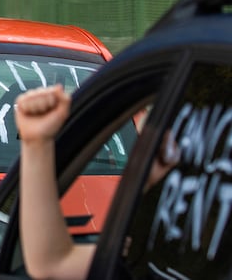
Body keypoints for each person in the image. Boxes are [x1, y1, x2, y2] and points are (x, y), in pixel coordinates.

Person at [14, 85, 178, 280]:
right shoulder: (168, 260)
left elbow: (52, 262)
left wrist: (37, 143)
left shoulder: (158, 262)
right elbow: (53, 263)